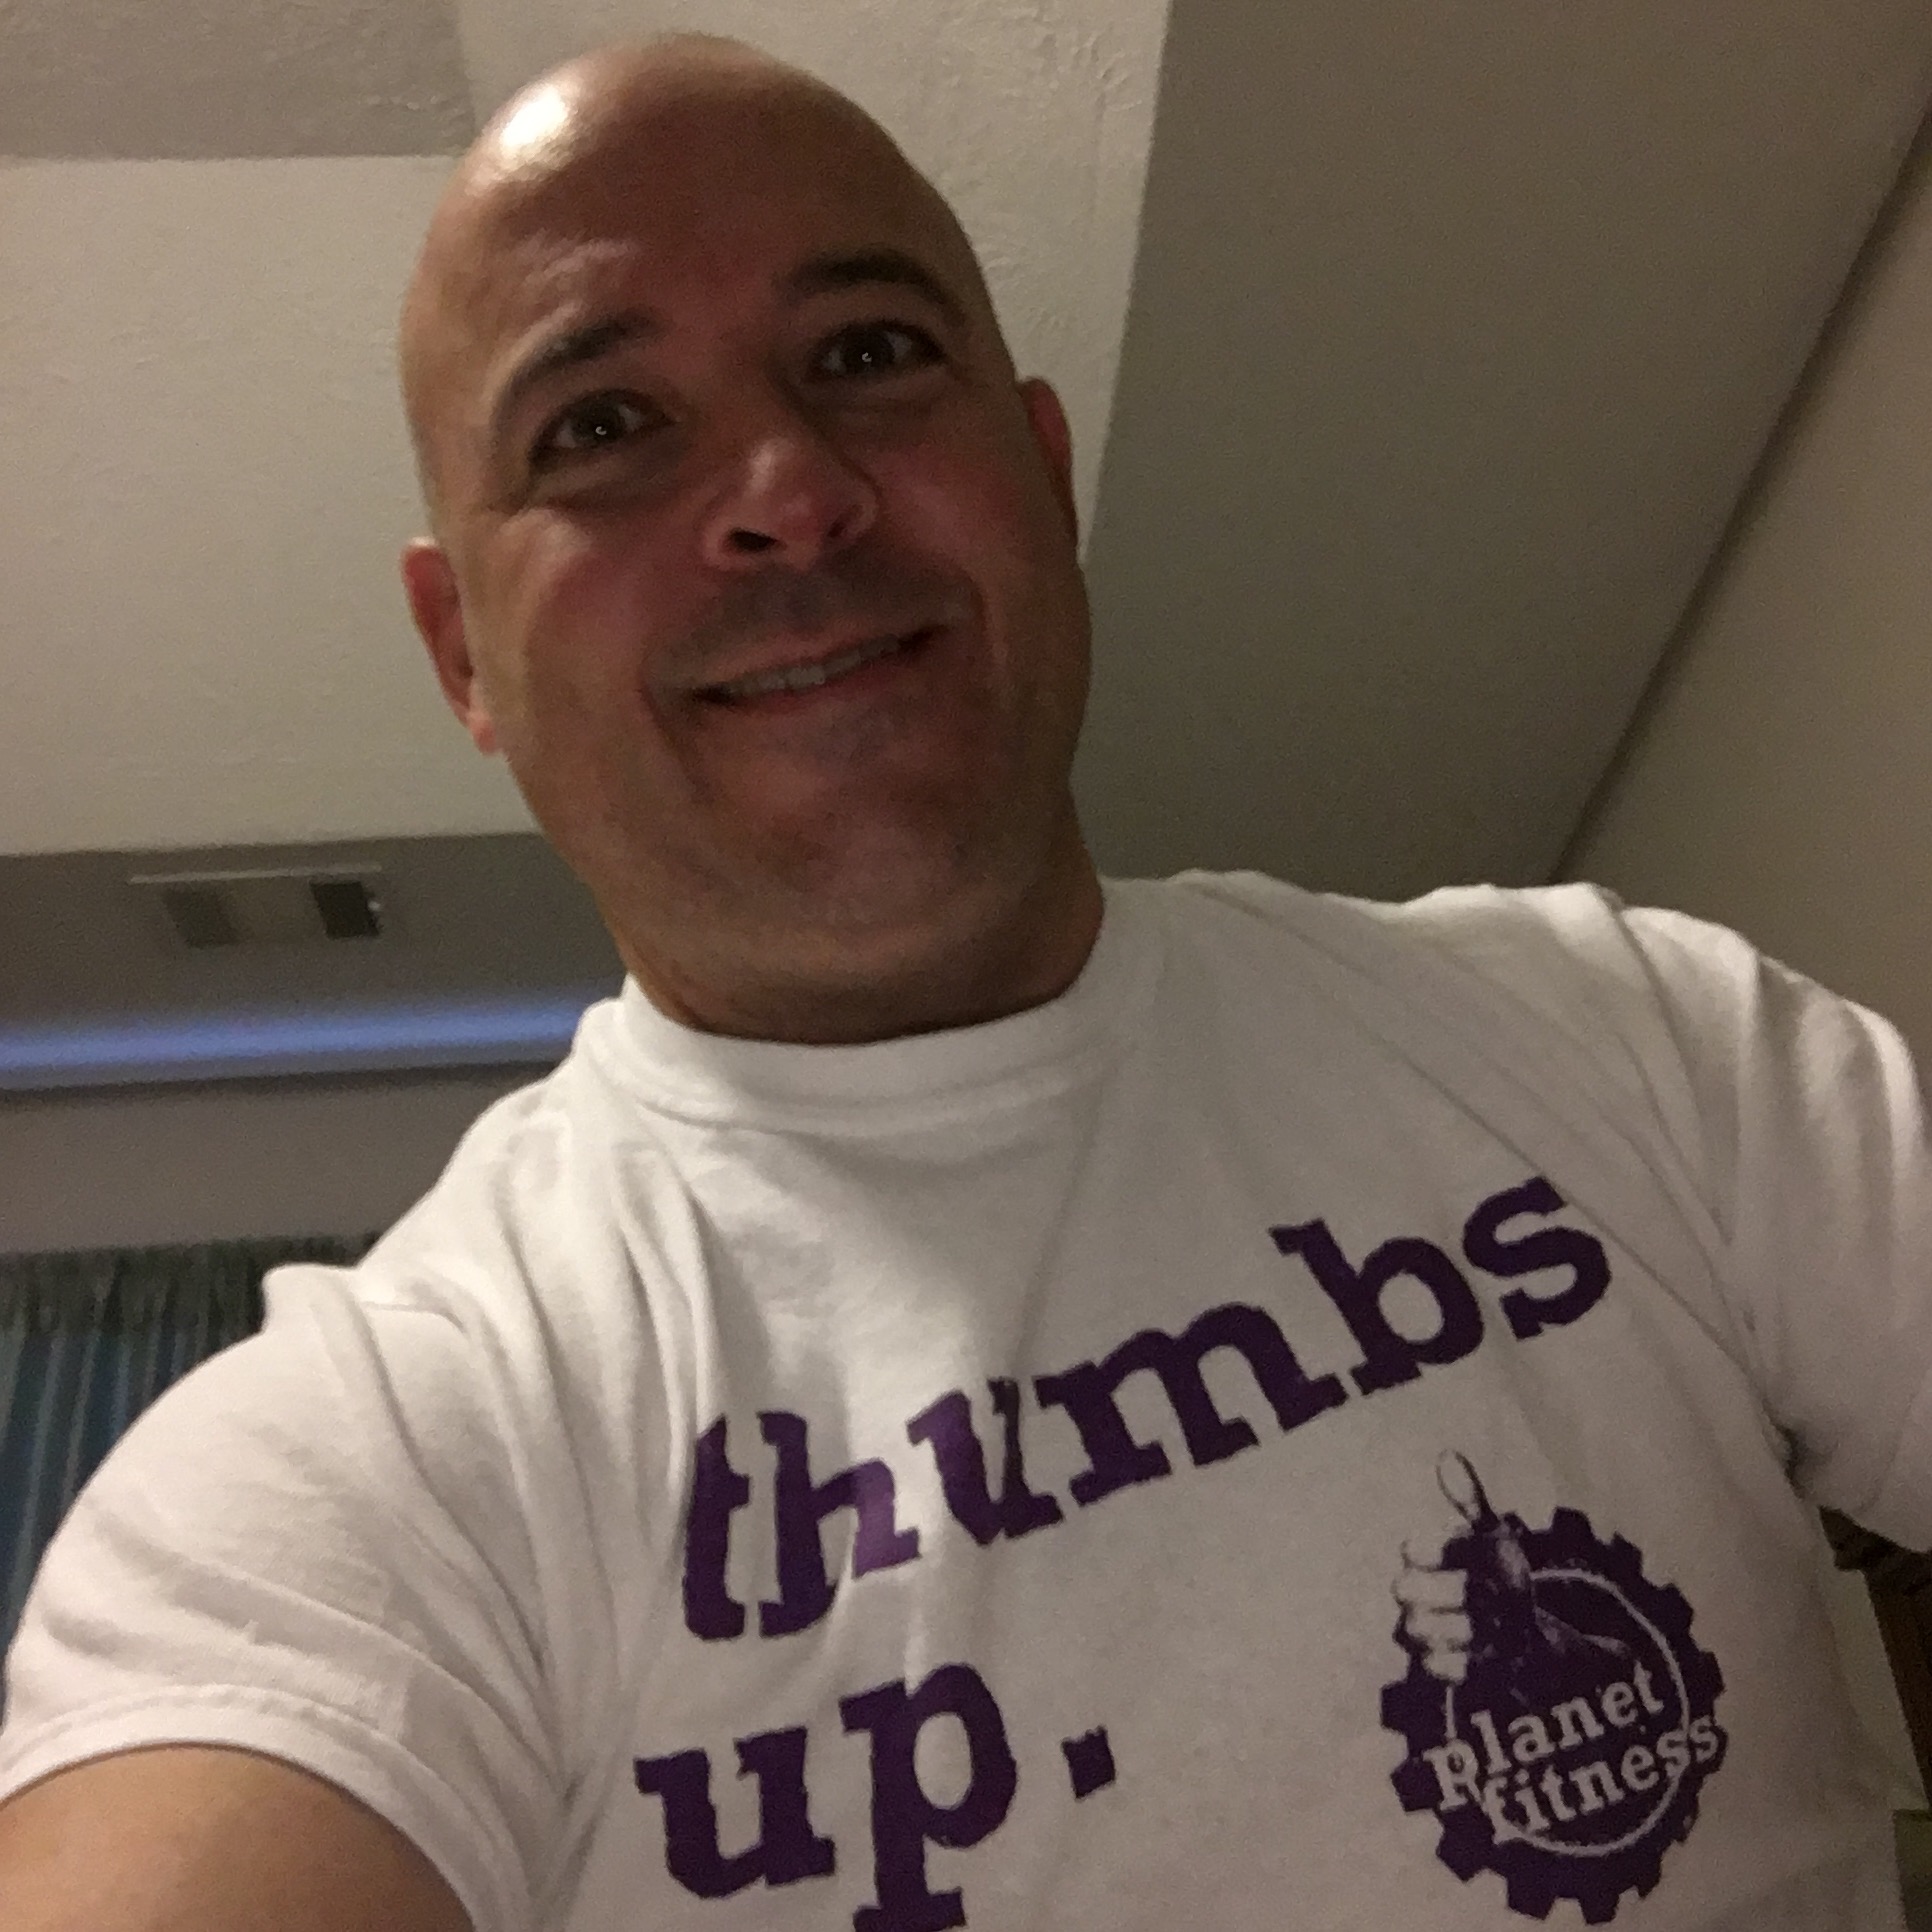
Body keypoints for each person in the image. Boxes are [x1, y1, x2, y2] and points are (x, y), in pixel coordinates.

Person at [2, 31, 1928, 1932]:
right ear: (462, 656)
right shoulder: (380, 1462)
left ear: (1043, 472)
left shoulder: (1630, 1039)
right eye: (598, 427)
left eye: (867, 352)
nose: (785, 489)